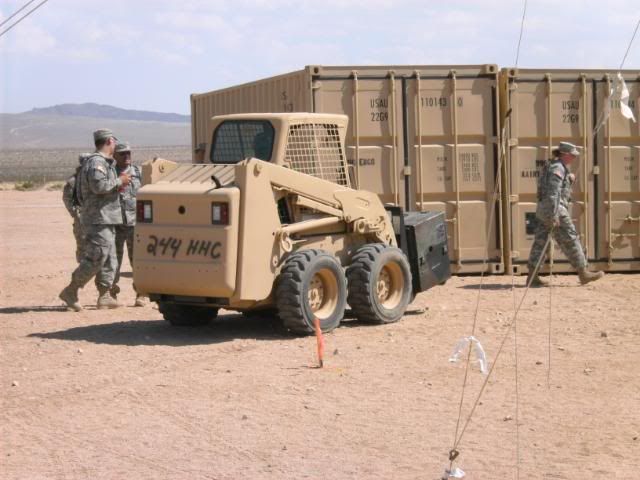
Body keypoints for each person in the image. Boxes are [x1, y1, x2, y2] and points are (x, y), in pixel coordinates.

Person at [59, 129, 131, 311]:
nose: (115, 145)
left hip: (107, 218)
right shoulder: (97, 162)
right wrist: (120, 181)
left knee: (110, 259)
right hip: (98, 218)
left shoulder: (104, 162)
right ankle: (71, 290)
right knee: (96, 257)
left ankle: (104, 295)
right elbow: (99, 186)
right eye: (114, 142)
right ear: (109, 141)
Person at [526, 141, 604, 287]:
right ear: (564, 154)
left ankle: (532, 277)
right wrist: (554, 214)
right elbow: (553, 193)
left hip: (543, 210)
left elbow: (551, 188)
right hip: (555, 209)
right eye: (572, 155)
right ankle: (583, 273)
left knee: (540, 242)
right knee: (571, 239)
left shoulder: (553, 166)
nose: (574, 158)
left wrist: (568, 179)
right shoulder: (558, 168)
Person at [111, 141, 145, 306]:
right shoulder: (111, 174)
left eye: (128, 153)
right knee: (113, 262)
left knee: (137, 261)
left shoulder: (138, 172)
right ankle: (111, 294)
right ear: (114, 156)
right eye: (122, 153)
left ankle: (141, 294)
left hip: (134, 225)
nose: (126, 156)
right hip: (116, 224)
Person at [62, 153, 91, 262]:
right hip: (81, 218)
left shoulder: (93, 178)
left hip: (95, 217)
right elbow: (67, 198)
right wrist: (75, 213)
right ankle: (82, 268)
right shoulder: (73, 180)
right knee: (82, 246)